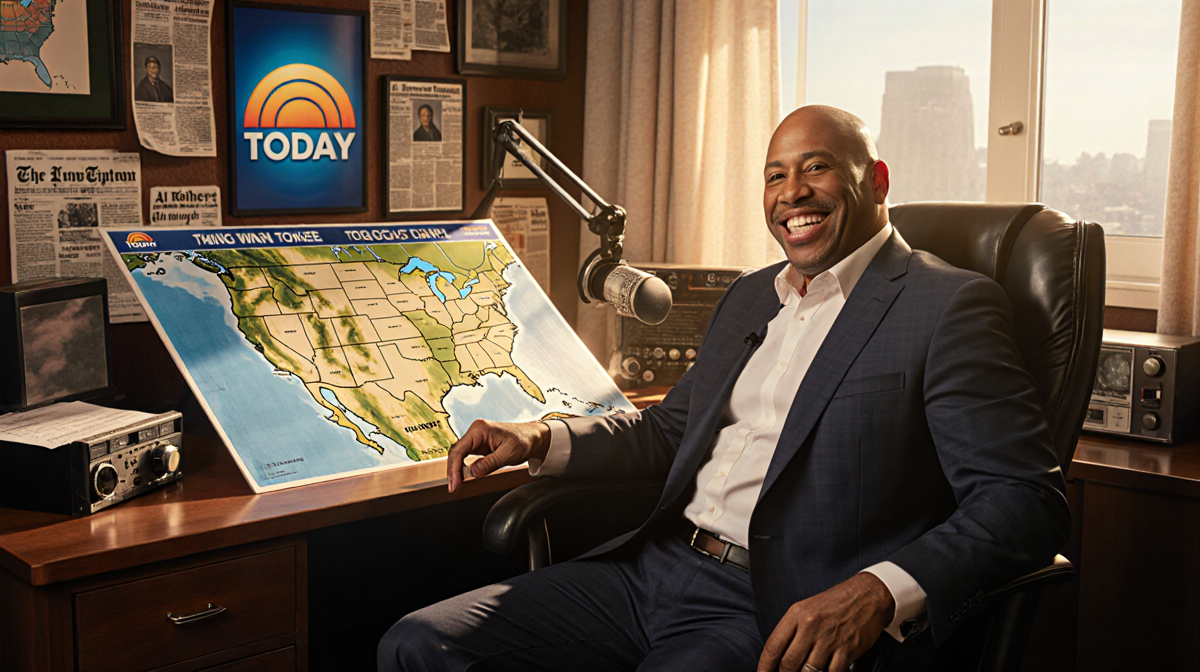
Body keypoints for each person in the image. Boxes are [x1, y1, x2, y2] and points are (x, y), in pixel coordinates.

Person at [378, 105, 1070, 672]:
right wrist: (539, 436)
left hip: (777, 604)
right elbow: (668, 432)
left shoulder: (947, 306)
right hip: (653, 569)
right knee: (419, 643)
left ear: (877, 180)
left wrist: (876, 593)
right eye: (775, 175)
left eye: (816, 168)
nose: (791, 192)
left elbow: (1023, 503)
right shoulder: (748, 299)